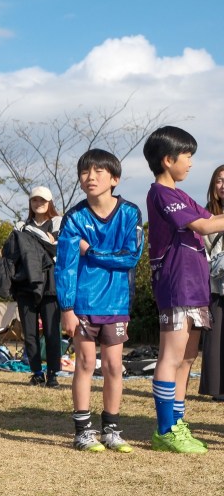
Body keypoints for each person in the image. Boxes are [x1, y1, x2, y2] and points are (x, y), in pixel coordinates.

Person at [55, 149, 143, 453]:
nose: (90, 177)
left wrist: (90, 251)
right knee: (84, 363)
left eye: (98, 171)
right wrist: (67, 308)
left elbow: (130, 257)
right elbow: (65, 265)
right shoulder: (74, 217)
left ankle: (112, 430)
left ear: (114, 178)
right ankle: (83, 432)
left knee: (114, 366)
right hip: (82, 303)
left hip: (116, 303)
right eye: (84, 172)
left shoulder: (130, 213)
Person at [143, 128, 224, 453]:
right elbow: (204, 226)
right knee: (171, 356)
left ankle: (177, 424)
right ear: (168, 159)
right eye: (187, 156)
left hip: (195, 286)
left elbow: (212, 218)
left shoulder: (181, 194)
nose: (190, 163)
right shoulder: (162, 193)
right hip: (177, 283)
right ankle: (165, 430)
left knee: (188, 358)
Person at [11, 186, 62, 387]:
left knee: (52, 331)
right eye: (34, 200)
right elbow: (13, 251)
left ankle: (53, 373)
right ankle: (37, 372)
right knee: (30, 332)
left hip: (50, 284)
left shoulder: (57, 222)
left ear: (50, 203)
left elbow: (56, 247)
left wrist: (33, 239)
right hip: (26, 284)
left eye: (42, 200)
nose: (38, 203)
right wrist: (46, 240)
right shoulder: (21, 225)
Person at [201, 165, 224, 402]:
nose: (223, 185)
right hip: (216, 283)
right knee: (216, 337)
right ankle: (218, 388)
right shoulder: (205, 214)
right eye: (219, 180)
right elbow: (202, 249)